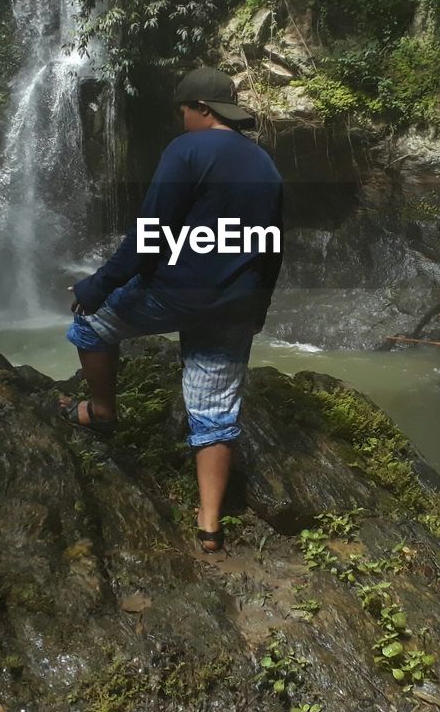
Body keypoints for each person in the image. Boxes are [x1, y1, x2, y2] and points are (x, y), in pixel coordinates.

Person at [59, 66, 284, 554]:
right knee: (215, 408)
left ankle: (100, 411)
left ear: (201, 110)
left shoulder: (186, 150)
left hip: (175, 293)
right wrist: (257, 307)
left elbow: (150, 232)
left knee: (90, 325)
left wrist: (97, 285)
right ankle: (209, 526)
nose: (181, 119)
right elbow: (271, 248)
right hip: (237, 302)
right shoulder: (265, 164)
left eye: (183, 110)